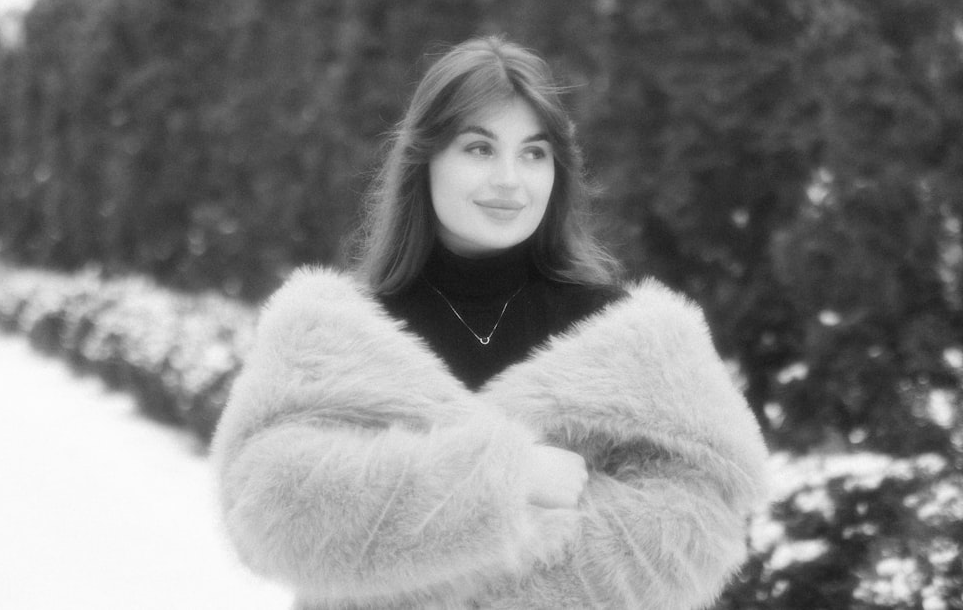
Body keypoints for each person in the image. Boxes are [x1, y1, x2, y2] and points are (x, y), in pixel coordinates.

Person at [211, 36, 769, 609]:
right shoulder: (330, 328)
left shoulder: (635, 337)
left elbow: (705, 519)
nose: (510, 180)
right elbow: (265, 506)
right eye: (479, 149)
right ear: (425, 159)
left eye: (533, 153)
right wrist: (503, 485)